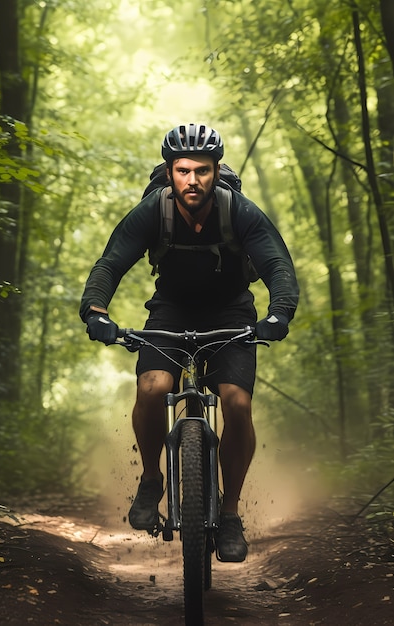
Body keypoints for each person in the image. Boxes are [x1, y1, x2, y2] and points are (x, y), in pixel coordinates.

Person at [80, 123, 299, 562]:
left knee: (236, 403)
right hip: (171, 310)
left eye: (202, 170)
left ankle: (232, 512)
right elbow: (110, 263)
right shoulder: (152, 211)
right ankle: (151, 479)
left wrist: (279, 314)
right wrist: (96, 311)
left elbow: (277, 265)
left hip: (232, 313)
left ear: (216, 171)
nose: (192, 180)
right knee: (152, 387)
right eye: (183, 170)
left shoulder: (240, 211)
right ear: (169, 171)